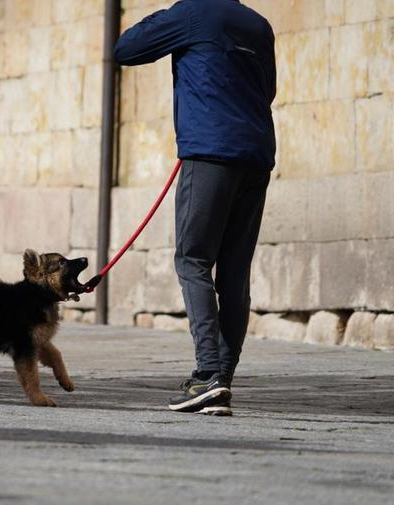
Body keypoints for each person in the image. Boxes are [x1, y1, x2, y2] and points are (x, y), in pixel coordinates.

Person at [114, 0, 276, 416]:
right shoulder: (258, 25)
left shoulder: (193, 13)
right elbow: (268, 89)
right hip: (255, 156)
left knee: (193, 259)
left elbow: (126, 49)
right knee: (234, 272)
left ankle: (208, 375)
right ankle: (220, 378)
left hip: (209, 153)